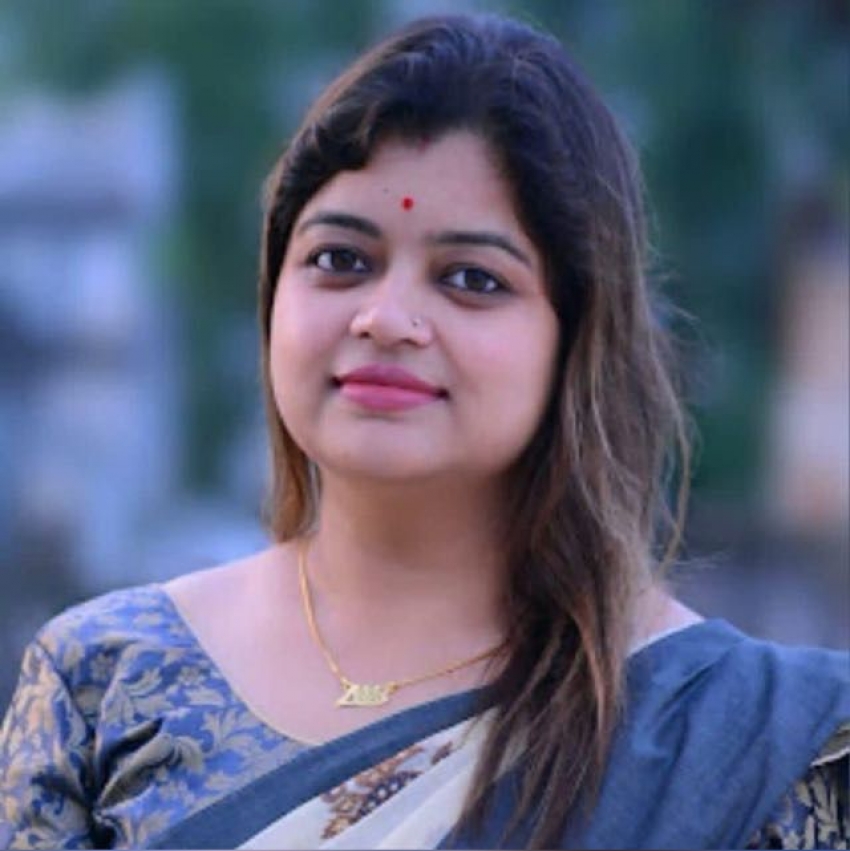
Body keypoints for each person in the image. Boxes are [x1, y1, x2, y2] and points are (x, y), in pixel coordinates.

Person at [1, 12, 847, 850]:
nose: (386, 317)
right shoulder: (101, 682)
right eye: (341, 259)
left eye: (471, 277)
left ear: (575, 338)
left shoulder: (746, 743)